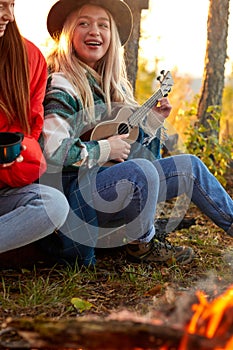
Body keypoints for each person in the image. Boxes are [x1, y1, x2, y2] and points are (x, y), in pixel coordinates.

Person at [39, 0, 233, 268]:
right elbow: (53, 150)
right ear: (68, 34)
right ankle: (142, 245)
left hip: (110, 188)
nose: (94, 31)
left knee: (190, 166)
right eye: (83, 23)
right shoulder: (62, 84)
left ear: (112, 37)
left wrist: (152, 125)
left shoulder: (113, 87)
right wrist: (105, 149)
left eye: (103, 25)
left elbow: (145, 164)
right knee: (140, 171)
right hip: (75, 196)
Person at [0, 0, 70, 263]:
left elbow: (30, 132)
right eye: (0, 5)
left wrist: (15, 154)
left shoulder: (28, 57)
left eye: (12, 4)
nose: (9, 16)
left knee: (53, 205)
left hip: (5, 188)